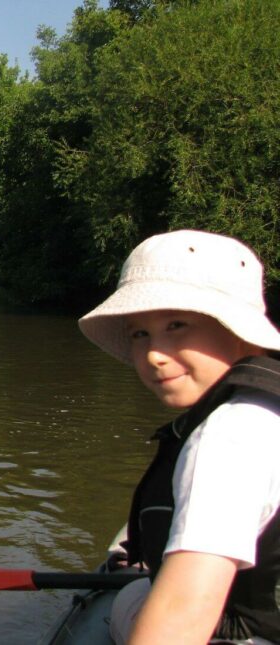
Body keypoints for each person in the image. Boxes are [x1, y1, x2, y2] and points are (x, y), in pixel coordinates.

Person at [77, 229, 280, 644]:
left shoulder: (227, 436)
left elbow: (183, 614)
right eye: (140, 333)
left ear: (240, 332)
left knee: (130, 595)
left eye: (177, 325)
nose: (154, 354)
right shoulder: (266, 409)